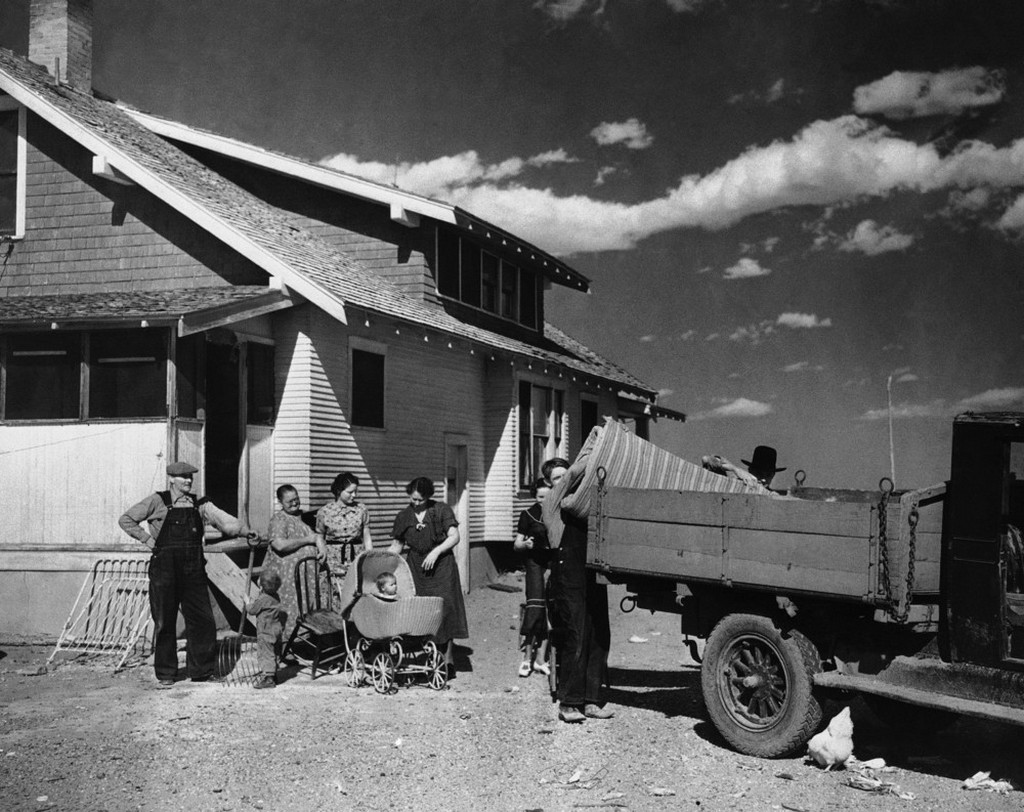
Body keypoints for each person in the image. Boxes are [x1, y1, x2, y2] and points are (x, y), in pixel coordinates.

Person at [119, 461, 250, 687]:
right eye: (183, 477)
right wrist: (148, 540)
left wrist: (247, 531)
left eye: (190, 477)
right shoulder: (157, 501)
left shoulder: (200, 504)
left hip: (193, 569)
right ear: (171, 479)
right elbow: (126, 520)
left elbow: (226, 522)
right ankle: (166, 673)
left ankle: (201, 670)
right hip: (165, 568)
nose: (188, 481)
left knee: (203, 620)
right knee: (164, 620)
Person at [542, 456, 613, 723]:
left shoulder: (581, 504)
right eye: (556, 478)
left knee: (599, 634)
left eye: (564, 476)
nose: (563, 481)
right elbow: (571, 477)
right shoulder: (552, 503)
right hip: (567, 576)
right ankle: (569, 702)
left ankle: (592, 700)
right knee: (576, 635)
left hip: (590, 573)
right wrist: (593, 456)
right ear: (550, 483)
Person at [389, 476, 468, 675]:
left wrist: (436, 552)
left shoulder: (441, 510)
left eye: (420, 500)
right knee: (423, 609)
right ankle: (430, 654)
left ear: (428, 497)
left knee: (445, 607)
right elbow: (397, 545)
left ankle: (448, 658)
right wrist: (384, 561)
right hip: (417, 566)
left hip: (442, 565)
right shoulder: (404, 516)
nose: (415, 503)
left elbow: (454, 536)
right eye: (412, 499)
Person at [263, 484, 323, 639]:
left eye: (296, 499)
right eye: (290, 501)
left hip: (304, 579)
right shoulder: (279, 520)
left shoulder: (302, 517)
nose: (295, 503)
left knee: (306, 608)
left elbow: (317, 536)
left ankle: (303, 641)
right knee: (288, 610)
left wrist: (322, 548)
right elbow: (279, 544)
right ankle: (286, 645)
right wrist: (307, 540)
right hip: (287, 578)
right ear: (280, 502)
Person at [514, 476, 552, 678]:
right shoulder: (527, 515)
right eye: (539, 497)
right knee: (535, 607)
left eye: (547, 496)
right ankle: (526, 658)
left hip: (553, 563)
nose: (543, 501)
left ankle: (541, 658)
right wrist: (525, 544)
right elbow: (517, 544)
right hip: (535, 563)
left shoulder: (559, 513)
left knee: (551, 610)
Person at [315, 472, 373, 591]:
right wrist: (322, 549)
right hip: (333, 560)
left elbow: (366, 533)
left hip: (356, 558)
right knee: (335, 594)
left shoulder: (361, 509)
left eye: (356, 491)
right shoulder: (325, 512)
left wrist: (369, 553)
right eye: (350, 492)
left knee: (356, 592)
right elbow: (319, 535)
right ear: (338, 491)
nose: (354, 495)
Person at [246, 570, 286, 689]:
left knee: (266, 654)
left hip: (266, 631)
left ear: (261, 586)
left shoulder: (262, 599)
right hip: (276, 629)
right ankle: (273, 674)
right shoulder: (275, 596)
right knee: (274, 652)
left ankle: (269, 679)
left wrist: (247, 602)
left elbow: (252, 610)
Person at [702, 445, 786, 489]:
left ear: (773, 475)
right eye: (759, 473)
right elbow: (706, 459)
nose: (764, 479)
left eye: (768, 475)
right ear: (750, 470)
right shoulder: (736, 485)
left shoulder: (773, 496)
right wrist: (735, 469)